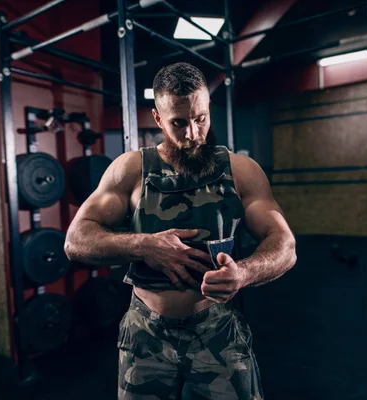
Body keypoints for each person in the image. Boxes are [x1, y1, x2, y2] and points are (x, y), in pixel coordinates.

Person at [64, 62, 297, 399]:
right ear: (158, 119)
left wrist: (244, 273)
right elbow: (75, 241)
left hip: (217, 330)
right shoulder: (131, 170)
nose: (191, 134)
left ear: (208, 109)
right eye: (178, 123)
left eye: (200, 119)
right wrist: (144, 245)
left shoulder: (241, 171)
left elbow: (284, 243)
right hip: (145, 334)